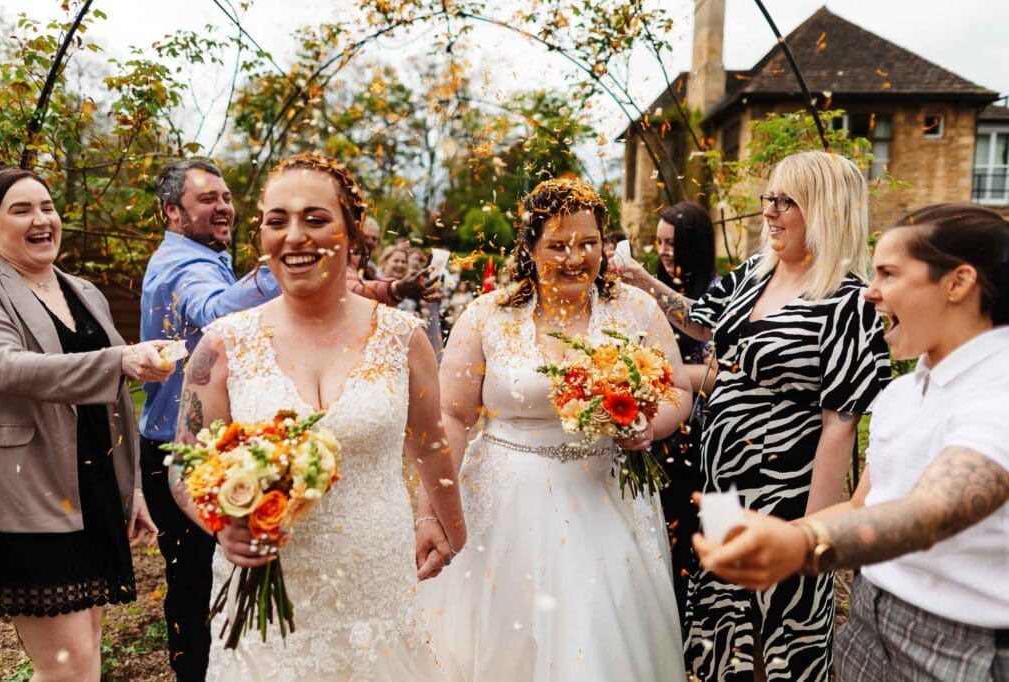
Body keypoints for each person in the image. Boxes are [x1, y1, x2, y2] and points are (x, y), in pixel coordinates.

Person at [168, 152, 466, 680]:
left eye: (316, 218)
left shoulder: (402, 338)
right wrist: (221, 524)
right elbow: (186, 465)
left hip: (375, 583)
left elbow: (430, 443)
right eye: (277, 221)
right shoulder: (222, 345)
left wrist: (446, 524)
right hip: (263, 589)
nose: (294, 236)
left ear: (352, 234)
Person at [693, 204, 1009, 681]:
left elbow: (934, 511)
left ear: (957, 283)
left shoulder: (999, 386)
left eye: (889, 273)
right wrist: (766, 535)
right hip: (866, 623)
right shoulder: (904, 392)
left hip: (959, 646)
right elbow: (865, 505)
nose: (870, 291)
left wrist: (802, 543)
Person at [417, 177, 692, 681]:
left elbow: (678, 390)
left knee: (598, 639)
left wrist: (649, 425)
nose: (574, 258)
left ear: (605, 244)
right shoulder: (488, 316)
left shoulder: (636, 309)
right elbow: (452, 418)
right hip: (502, 506)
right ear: (529, 246)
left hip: (607, 500)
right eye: (558, 245)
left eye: (588, 243)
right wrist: (432, 510)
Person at [653, 151, 891, 679]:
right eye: (770, 198)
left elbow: (840, 424)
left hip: (786, 493)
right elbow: (698, 322)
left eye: (789, 202)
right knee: (723, 629)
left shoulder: (848, 303)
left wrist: (813, 538)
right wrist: (634, 281)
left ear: (827, 210)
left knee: (780, 640)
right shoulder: (753, 275)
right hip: (721, 484)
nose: (771, 211)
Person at [0, 167, 173, 679]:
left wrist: (129, 489)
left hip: (92, 486)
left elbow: (113, 404)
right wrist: (119, 360)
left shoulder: (83, 290)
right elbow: (3, 367)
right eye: (21, 210)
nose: (42, 219)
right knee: (66, 666)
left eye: (46, 206)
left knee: (86, 653)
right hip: (31, 496)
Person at [138, 158, 282, 680]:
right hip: (176, 448)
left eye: (225, 196)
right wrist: (279, 265)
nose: (223, 207)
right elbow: (215, 309)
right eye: (208, 200)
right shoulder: (185, 265)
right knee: (196, 587)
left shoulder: (201, 253)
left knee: (204, 580)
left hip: (186, 437)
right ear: (172, 211)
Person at [620, 201, 719, 625]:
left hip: (694, 440)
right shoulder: (648, 289)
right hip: (644, 430)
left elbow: (720, 375)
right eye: (658, 242)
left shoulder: (714, 293)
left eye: (673, 243)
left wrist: (662, 376)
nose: (664, 251)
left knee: (682, 540)